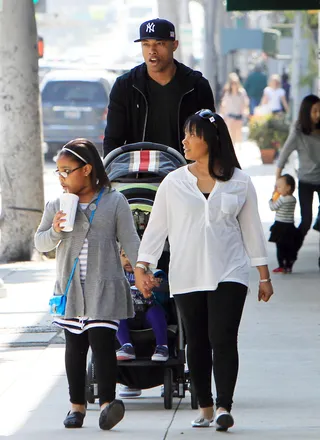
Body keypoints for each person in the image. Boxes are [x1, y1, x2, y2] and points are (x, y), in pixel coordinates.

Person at [134, 109, 274, 432]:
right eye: (184, 134)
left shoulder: (240, 182)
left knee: (223, 337)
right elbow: (156, 230)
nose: (184, 141)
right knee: (196, 341)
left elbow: (252, 231)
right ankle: (205, 406)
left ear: (210, 140)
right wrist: (143, 266)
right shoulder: (173, 183)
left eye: (191, 135)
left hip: (230, 272)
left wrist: (263, 276)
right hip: (187, 274)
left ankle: (225, 405)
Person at [34, 139, 140, 430]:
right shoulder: (56, 204)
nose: (62, 178)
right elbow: (40, 243)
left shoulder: (114, 201)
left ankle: (107, 404)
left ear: (87, 169)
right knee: (75, 347)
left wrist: (142, 269)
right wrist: (55, 229)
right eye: (58, 172)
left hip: (104, 285)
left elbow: (130, 239)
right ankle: (76, 406)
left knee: (102, 343)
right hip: (71, 291)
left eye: (67, 170)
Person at [103, 18, 215, 157]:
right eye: (146, 44)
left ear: (174, 45)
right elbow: (113, 140)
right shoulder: (125, 86)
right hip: (137, 174)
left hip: (185, 173)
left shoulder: (196, 85)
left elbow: (210, 138)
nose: (152, 50)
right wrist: (113, 174)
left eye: (159, 43)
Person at [117, 247, 169, 398]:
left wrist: (157, 283)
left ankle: (162, 347)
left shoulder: (154, 273)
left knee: (156, 312)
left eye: (132, 256)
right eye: (124, 255)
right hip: (127, 317)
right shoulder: (117, 275)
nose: (127, 260)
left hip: (148, 316)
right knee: (116, 315)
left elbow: (163, 287)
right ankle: (126, 346)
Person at [276, 94, 320, 243]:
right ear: (307, 112)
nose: (318, 115)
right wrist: (277, 182)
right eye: (314, 111)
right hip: (306, 181)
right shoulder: (298, 132)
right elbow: (283, 155)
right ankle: (291, 249)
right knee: (306, 221)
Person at [268, 174, 302, 273]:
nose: (277, 189)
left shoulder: (282, 199)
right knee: (289, 247)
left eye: (279, 187)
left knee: (280, 247)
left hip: (280, 225)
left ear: (288, 188)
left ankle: (281, 265)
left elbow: (273, 207)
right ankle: (288, 265)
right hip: (290, 226)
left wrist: (271, 199)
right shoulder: (293, 199)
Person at [220, 72, 249, 146]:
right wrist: (223, 114)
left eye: (235, 83)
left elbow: (245, 102)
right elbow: (223, 104)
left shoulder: (242, 92)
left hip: (239, 114)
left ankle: (239, 146)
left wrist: (245, 111)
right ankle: (234, 146)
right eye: (232, 83)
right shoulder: (227, 93)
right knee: (232, 132)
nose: (234, 85)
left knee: (238, 131)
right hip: (230, 115)